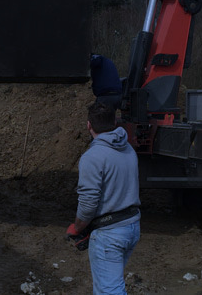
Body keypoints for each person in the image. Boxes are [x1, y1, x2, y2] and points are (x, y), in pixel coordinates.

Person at [67, 102, 141, 295]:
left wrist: (78, 227)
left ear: (89, 125)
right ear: (115, 121)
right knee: (109, 284)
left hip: (110, 234)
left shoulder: (93, 157)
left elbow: (88, 202)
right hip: (131, 226)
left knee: (109, 290)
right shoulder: (128, 150)